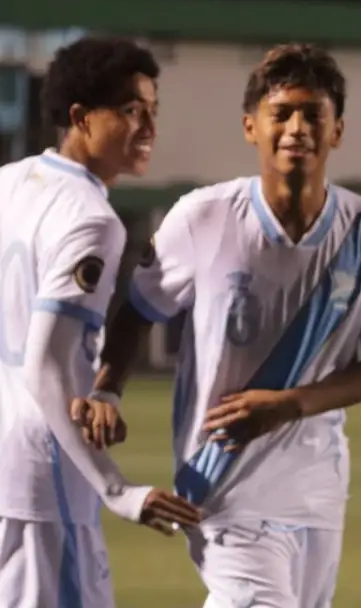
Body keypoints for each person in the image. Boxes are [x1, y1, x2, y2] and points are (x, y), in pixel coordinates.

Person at [80, 43, 361, 607]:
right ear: (250, 127)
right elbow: (138, 310)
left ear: (337, 130)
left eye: (313, 114)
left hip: (317, 487)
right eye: (281, 113)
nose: (297, 128)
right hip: (221, 481)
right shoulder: (202, 217)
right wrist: (106, 390)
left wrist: (290, 404)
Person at [0, 38, 202, 607]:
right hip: (43, 481)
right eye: (132, 110)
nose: (149, 127)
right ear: (81, 117)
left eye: (153, 111)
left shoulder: (8, 182)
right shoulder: (91, 219)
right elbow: (44, 366)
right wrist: (118, 490)